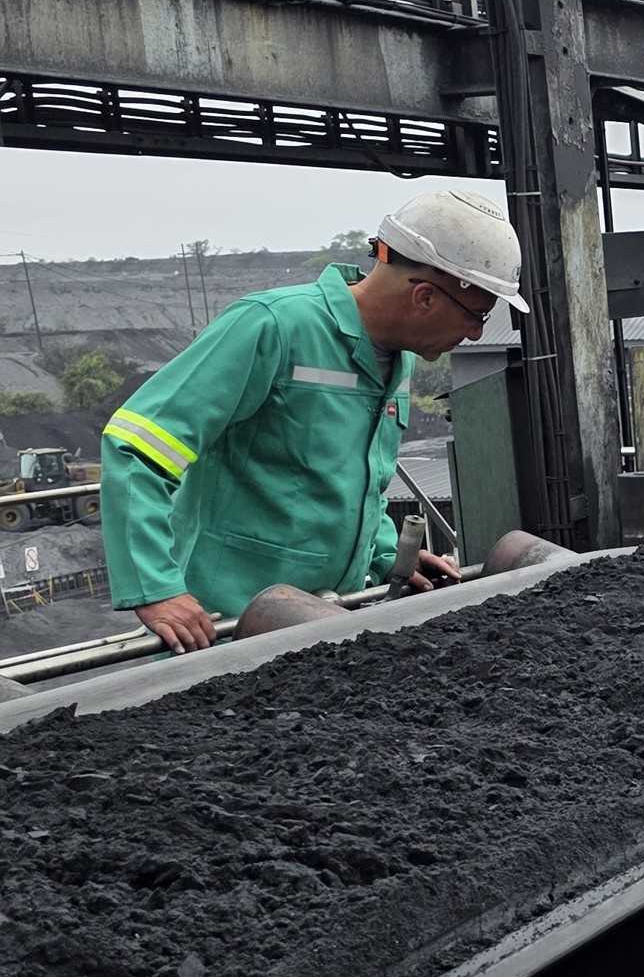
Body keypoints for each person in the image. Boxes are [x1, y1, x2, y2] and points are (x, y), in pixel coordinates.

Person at [101, 190, 526, 653]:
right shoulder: (273, 327)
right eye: (477, 314)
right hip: (223, 632)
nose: (477, 333)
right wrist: (158, 589)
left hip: (320, 627)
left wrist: (388, 555)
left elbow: (350, 483)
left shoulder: (395, 362)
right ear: (424, 296)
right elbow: (136, 446)